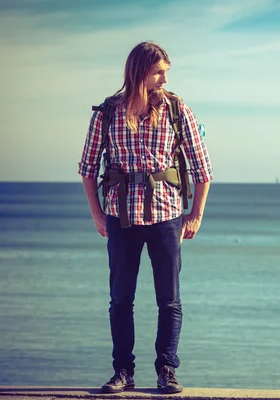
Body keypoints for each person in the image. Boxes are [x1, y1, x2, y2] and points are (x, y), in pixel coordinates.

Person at [78, 41, 213, 394]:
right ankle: (123, 372)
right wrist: (96, 214)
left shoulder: (176, 109)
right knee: (121, 299)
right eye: (158, 72)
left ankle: (167, 370)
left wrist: (195, 214)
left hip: (167, 217)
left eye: (167, 72)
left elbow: (203, 167)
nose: (165, 79)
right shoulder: (107, 112)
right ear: (139, 72)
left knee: (168, 299)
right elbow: (88, 168)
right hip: (120, 218)